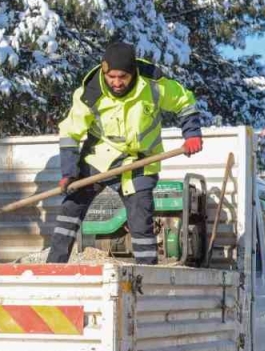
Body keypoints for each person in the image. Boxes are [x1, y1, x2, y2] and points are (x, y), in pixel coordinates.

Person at [46, 42, 206, 265]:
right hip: (100, 156)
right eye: (112, 76)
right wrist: (69, 172)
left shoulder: (153, 85)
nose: (117, 82)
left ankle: (146, 275)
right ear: (104, 70)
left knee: (141, 220)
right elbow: (70, 132)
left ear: (133, 72)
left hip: (142, 160)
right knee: (70, 207)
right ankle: (54, 267)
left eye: (123, 77)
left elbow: (184, 101)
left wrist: (191, 134)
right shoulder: (90, 93)